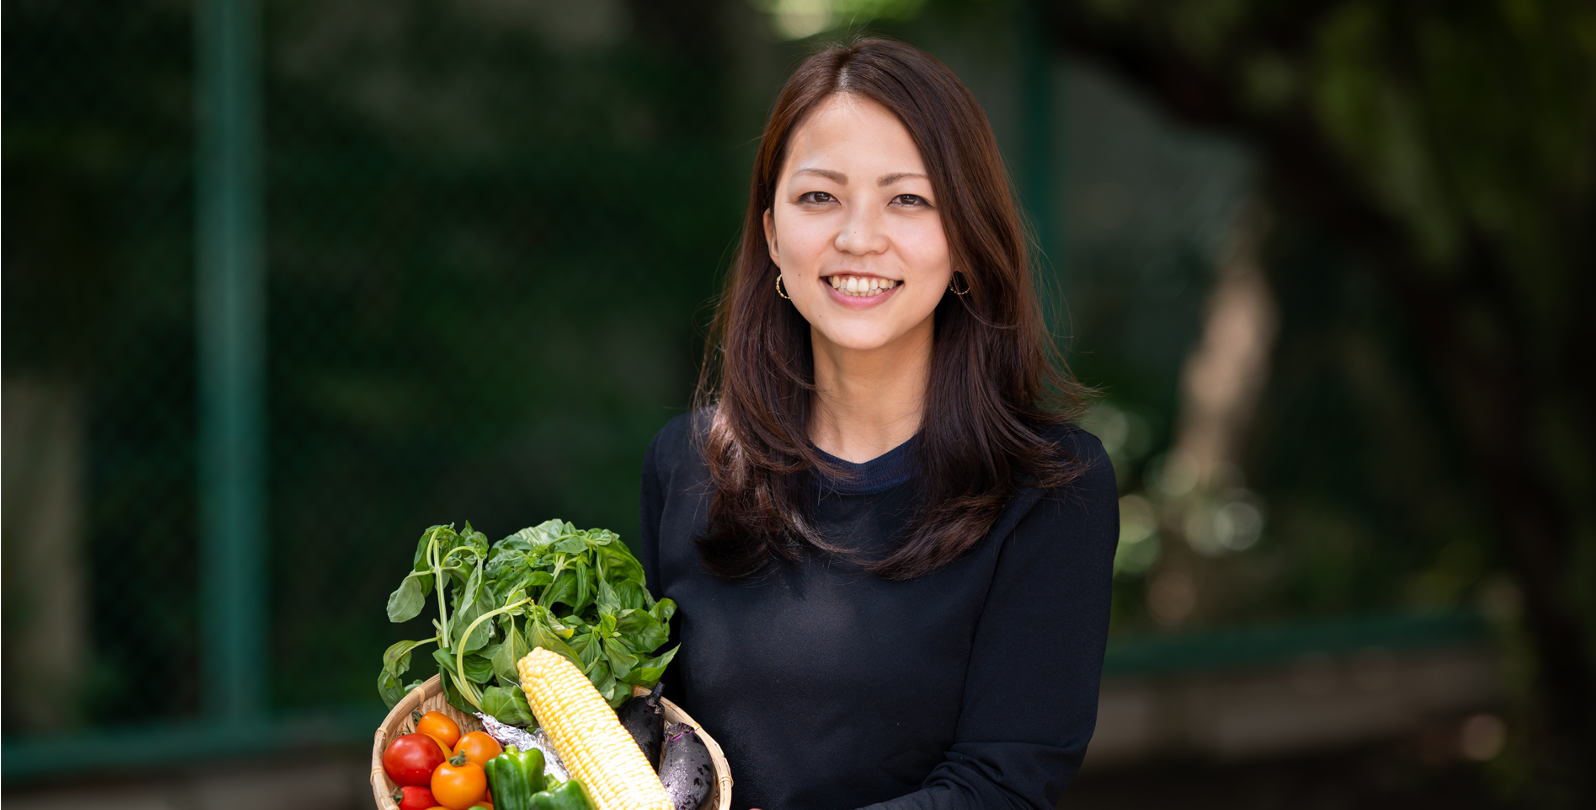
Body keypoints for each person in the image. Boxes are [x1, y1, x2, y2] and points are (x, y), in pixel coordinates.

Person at [638, 37, 1117, 810]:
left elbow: (1003, 785)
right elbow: (656, 744)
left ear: (964, 239)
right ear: (770, 234)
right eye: (819, 197)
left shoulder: (1053, 489)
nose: (859, 237)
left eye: (909, 199)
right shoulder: (689, 463)